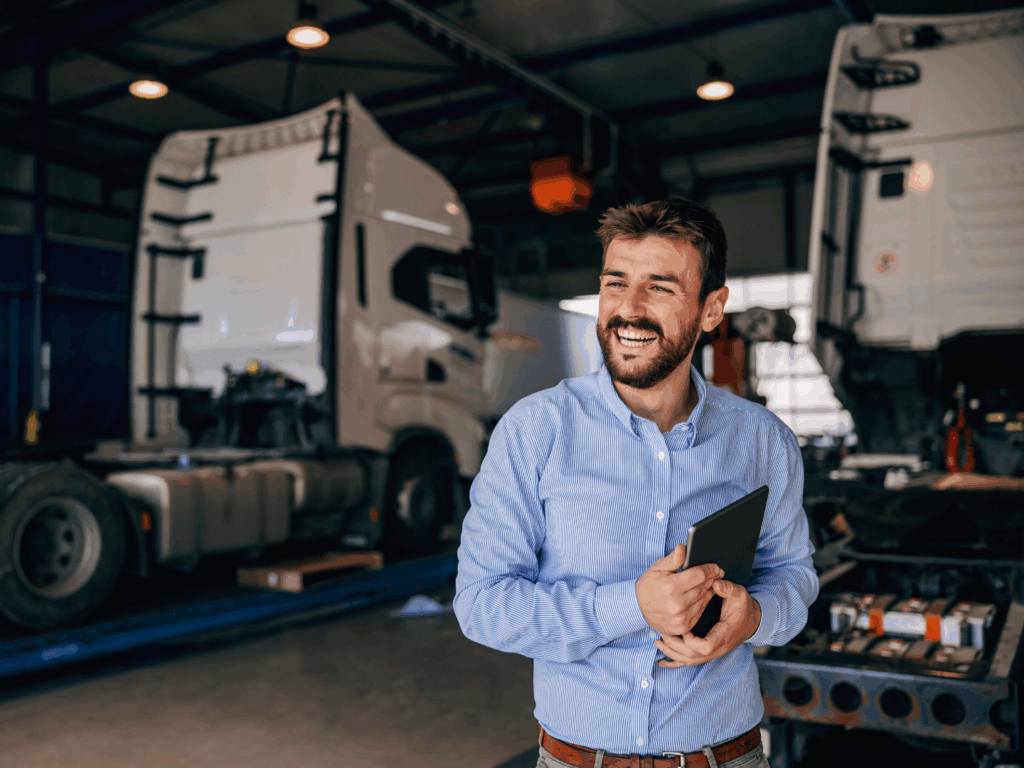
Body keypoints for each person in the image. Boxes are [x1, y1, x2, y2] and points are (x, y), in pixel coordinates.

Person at [454, 199, 818, 768]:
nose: (628, 309)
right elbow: (481, 604)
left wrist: (754, 617)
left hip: (726, 757)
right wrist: (631, 607)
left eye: (661, 288)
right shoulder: (536, 431)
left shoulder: (761, 439)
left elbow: (794, 575)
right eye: (615, 283)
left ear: (711, 309)